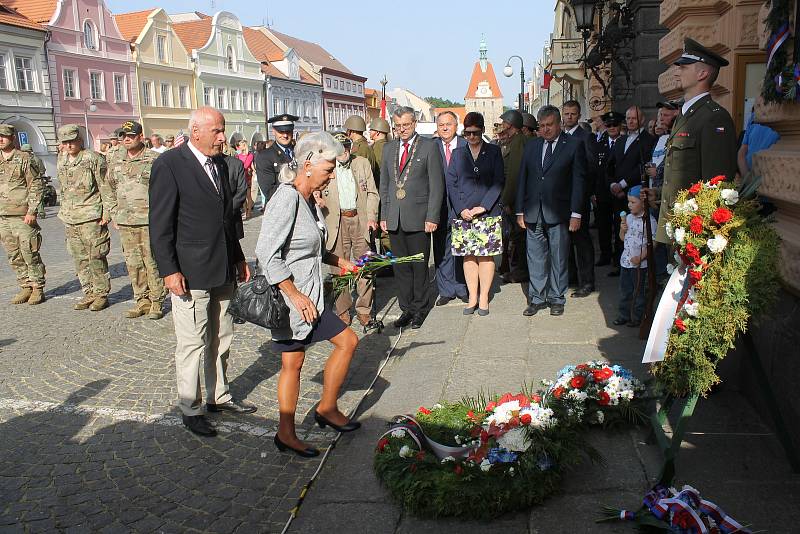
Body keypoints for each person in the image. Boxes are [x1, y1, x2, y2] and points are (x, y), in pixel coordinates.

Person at [149, 107, 255, 437]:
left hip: (222, 266)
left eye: (223, 131)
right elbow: (160, 224)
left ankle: (217, 396)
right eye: (217, 131)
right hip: (189, 272)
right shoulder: (169, 164)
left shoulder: (221, 164)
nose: (223, 137)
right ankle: (190, 406)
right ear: (196, 132)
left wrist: (237, 256)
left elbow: (227, 218)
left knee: (222, 336)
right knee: (193, 342)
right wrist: (169, 270)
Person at [256, 131, 361, 458]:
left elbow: (307, 249)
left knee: (324, 350)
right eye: (328, 169)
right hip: (294, 301)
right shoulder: (285, 198)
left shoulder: (306, 199)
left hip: (311, 297)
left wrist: (338, 261)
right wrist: (294, 294)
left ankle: (324, 409)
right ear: (308, 165)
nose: (331, 175)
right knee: (302, 359)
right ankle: (291, 430)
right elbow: (266, 253)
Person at [648, 38, 738, 245]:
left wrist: (704, 238)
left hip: (694, 233)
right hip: (676, 226)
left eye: (683, 67)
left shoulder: (713, 117)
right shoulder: (685, 116)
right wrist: (658, 193)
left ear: (702, 74)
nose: (677, 72)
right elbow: (681, 175)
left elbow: (716, 184)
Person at [516, 105, 585, 317]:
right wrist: (520, 211)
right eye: (542, 126)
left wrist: (576, 213)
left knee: (558, 257)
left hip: (560, 211)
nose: (545, 129)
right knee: (535, 257)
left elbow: (579, 181)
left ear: (559, 124)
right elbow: (523, 179)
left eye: (549, 125)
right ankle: (537, 298)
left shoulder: (573, 145)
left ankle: (556, 298)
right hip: (533, 211)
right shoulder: (532, 146)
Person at [379, 106, 444, 329]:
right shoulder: (388, 149)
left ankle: (420, 308)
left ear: (414, 123)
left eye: (406, 125)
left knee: (418, 265)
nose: (402, 130)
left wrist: (432, 216)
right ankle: (406, 308)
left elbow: (437, 185)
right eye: (398, 126)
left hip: (419, 217)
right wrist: (384, 215)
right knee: (401, 268)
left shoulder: (428, 147)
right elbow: (385, 185)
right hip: (395, 217)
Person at [317, 131, 379, 327]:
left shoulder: (361, 163)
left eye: (346, 146)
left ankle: (364, 310)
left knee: (365, 267)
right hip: (336, 221)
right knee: (338, 268)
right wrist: (316, 197)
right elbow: (314, 188)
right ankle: (343, 310)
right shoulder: (325, 166)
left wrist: (371, 218)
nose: (343, 151)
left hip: (359, 219)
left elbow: (372, 193)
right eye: (338, 148)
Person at [106, 121, 166, 319]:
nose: (126, 139)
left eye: (131, 135)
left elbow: (165, 191)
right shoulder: (115, 160)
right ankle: (142, 300)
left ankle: (157, 301)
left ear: (141, 137)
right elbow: (108, 188)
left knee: (152, 262)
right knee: (133, 263)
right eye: (123, 136)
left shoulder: (155, 159)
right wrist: (114, 212)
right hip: (125, 221)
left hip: (150, 221)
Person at [446, 112, 504, 315]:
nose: (471, 137)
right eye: (467, 133)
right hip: (464, 214)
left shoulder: (494, 152)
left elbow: (498, 182)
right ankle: (472, 296)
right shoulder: (458, 153)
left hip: (487, 214)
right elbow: (451, 183)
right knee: (469, 257)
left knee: (485, 257)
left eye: (475, 133)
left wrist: (484, 206)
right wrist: (461, 209)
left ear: (482, 131)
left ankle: (484, 297)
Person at [57, 124, 114, 311]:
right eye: (65, 142)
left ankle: (101, 293)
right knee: (79, 258)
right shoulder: (62, 159)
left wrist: (107, 213)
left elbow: (105, 186)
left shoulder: (93, 158)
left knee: (96, 256)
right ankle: (88, 292)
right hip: (71, 217)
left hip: (91, 216)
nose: (69, 145)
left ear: (80, 140)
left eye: (72, 141)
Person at [606, 106, 657, 276]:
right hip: (618, 194)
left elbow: (641, 166)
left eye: (634, 118)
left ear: (641, 120)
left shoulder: (648, 140)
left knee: (637, 229)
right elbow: (610, 164)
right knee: (620, 226)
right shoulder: (620, 140)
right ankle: (621, 262)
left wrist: (622, 184)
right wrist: (613, 184)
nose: (630, 121)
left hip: (635, 192)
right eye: (627, 119)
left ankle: (638, 265)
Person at [0, 124, 46, 305]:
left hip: (22, 215)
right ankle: (25, 286)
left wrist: (32, 211)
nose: (0, 139)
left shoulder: (24, 159)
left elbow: (35, 185)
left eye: (4, 136)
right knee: (13, 254)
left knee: (29, 252)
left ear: (12, 138)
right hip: (3, 216)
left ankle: (37, 287)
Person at [432, 111, 468, 306]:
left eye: (449, 124)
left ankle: (462, 287)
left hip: (461, 205)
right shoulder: (431, 147)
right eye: (441, 125)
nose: (445, 128)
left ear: (456, 126)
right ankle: (446, 290)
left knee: (461, 247)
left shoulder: (465, 145)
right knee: (441, 248)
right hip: (438, 206)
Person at [562, 100, 595, 297]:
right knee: (567, 240)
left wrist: (585, 195)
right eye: (566, 114)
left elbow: (590, 168)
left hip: (579, 197)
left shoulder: (585, 137)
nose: (569, 117)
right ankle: (571, 277)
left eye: (573, 114)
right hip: (563, 198)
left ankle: (587, 282)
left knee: (582, 241)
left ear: (578, 115)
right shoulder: (562, 136)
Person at [614, 185, 657, 327]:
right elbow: (622, 239)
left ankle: (638, 316)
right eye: (628, 202)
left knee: (638, 291)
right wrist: (622, 230)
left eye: (633, 202)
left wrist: (641, 257)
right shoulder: (629, 218)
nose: (629, 205)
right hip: (625, 261)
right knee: (625, 290)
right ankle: (623, 315)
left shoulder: (649, 222)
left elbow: (652, 245)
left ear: (643, 203)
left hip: (639, 265)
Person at [497, 109, 529, 285]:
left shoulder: (517, 142)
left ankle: (522, 271)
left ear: (511, 125)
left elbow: (514, 174)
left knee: (520, 237)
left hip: (516, 199)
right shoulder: (513, 141)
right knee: (518, 238)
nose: (502, 126)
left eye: (504, 123)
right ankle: (520, 269)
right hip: (515, 198)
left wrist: (507, 200)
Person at [593, 111, 623, 267]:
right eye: (609, 125)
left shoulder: (624, 143)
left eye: (615, 125)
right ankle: (605, 255)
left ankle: (618, 258)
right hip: (602, 192)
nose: (612, 128)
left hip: (619, 193)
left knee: (619, 225)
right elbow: (595, 169)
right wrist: (593, 192)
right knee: (603, 226)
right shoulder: (600, 144)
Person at [256, 113, 297, 205]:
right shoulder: (265, 157)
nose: (285, 135)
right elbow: (269, 191)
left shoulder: (299, 152)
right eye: (281, 132)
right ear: (274, 131)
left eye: (288, 131)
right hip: (281, 208)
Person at [737, 105, 779, 177]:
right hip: (749, 177)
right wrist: (747, 178)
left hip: (770, 178)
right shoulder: (754, 116)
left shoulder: (785, 117)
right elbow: (742, 152)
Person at [20, 143, 47, 219]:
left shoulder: (21, 160)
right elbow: (42, 170)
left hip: (25, 182)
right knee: (38, 196)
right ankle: (41, 212)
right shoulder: (37, 159)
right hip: (37, 180)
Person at [369, 117, 391, 187]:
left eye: (371, 130)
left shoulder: (378, 147)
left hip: (379, 184)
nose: (369, 132)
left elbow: (377, 166)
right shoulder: (388, 145)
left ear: (377, 132)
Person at [236, 140, 255, 219]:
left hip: (247, 177)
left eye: (239, 145)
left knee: (248, 196)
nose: (238, 147)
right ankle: (245, 210)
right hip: (240, 176)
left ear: (243, 146)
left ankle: (249, 211)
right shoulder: (238, 156)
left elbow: (246, 165)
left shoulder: (250, 155)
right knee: (242, 196)